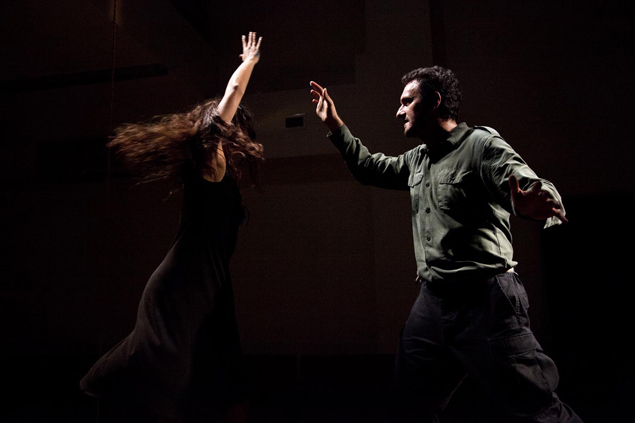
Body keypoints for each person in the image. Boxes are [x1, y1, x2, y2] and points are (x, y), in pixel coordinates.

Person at [309, 67, 583, 422]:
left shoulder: (480, 145)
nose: (399, 111)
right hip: (433, 303)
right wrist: (335, 125)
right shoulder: (417, 159)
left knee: (534, 407)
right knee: (410, 404)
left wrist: (534, 202)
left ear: (435, 101)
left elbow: (531, 185)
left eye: (407, 102)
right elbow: (369, 167)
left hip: (484, 300)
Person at [80, 32, 264, 423]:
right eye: (237, 128)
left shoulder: (219, 175)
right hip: (182, 286)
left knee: (226, 381)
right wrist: (249, 62)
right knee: (173, 379)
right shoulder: (208, 161)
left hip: (209, 287)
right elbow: (231, 96)